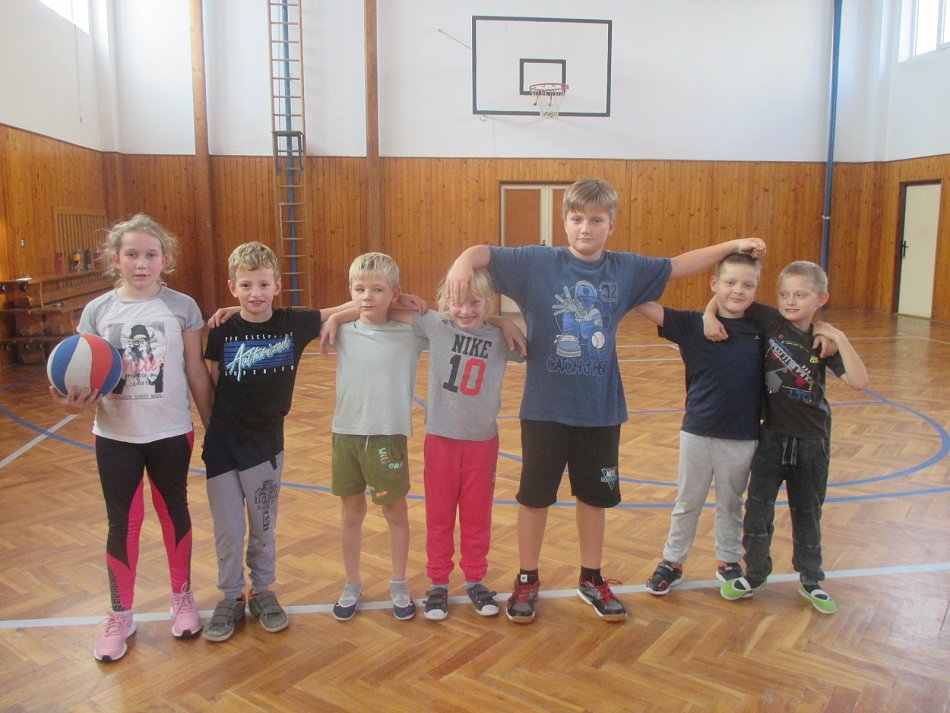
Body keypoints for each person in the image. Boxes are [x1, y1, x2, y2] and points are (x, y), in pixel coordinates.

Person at [446, 177, 766, 624]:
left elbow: (677, 266)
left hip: (600, 410)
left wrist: (732, 244)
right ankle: (527, 578)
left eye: (596, 220)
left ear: (611, 225)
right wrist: (464, 260)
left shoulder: (625, 269)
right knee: (534, 498)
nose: (586, 228)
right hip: (544, 409)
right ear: (564, 221)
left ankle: (591, 578)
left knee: (593, 498)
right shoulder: (538, 262)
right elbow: (485, 254)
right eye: (577, 219)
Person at [50, 214, 213, 662]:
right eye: (132, 254)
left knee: (174, 512)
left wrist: (213, 426)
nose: (141, 264)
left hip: (170, 432)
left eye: (150, 255)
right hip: (115, 436)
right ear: (115, 259)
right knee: (122, 523)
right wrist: (72, 402)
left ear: (165, 259)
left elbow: (196, 370)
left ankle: (182, 596)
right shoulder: (98, 311)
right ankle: (120, 614)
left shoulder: (182, 307)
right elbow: (84, 373)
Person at [201, 242, 357, 642]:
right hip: (222, 444)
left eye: (263, 284)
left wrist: (381, 299)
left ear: (277, 286)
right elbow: (212, 381)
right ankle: (231, 596)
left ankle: (262, 590)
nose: (255, 293)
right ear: (232, 287)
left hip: (265, 445)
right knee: (228, 529)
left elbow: (353, 307)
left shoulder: (293, 323)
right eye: (245, 285)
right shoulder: (222, 329)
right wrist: (210, 428)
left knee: (263, 526)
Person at [710, 260, 869, 614]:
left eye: (800, 295)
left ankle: (811, 579)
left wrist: (838, 336)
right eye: (784, 294)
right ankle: (755, 574)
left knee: (807, 512)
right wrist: (708, 314)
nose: (790, 301)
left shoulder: (823, 342)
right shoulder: (771, 322)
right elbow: (727, 297)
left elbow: (859, 382)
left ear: (821, 298)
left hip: (812, 442)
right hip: (771, 437)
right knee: (757, 510)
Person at [635, 253, 763, 595]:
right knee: (687, 502)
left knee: (731, 503)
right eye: (730, 282)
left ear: (756, 290)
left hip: (743, 435)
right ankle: (672, 561)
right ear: (714, 284)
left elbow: (801, 325)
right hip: (697, 430)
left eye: (748, 285)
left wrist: (827, 332)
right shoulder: (692, 325)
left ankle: (728, 560)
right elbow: (642, 303)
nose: (738, 290)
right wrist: (619, 281)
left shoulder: (763, 329)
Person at [414, 269, 525, 620]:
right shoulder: (436, 325)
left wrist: (504, 322)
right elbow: (385, 307)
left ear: (488, 302)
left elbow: (528, 349)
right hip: (440, 440)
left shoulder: (499, 336)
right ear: (446, 301)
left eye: (475, 303)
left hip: (482, 442)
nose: (465, 310)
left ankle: (476, 579)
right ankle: (438, 583)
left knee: (478, 516)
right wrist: (404, 298)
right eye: (458, 302)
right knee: (439, 515)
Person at [323, 252, 427, 622]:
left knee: (395, 513)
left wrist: (501, 319)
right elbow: (296, 316)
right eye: (360, 289)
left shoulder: (411, 334)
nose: (367, 297)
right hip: (346, 436)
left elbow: (444, 319)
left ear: (394, 293)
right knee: (351, 514)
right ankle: (352, 583)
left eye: (378, 290)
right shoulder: (343, 330)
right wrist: (337, 315)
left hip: (387, 438)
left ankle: (399, 582)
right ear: (350, 291)